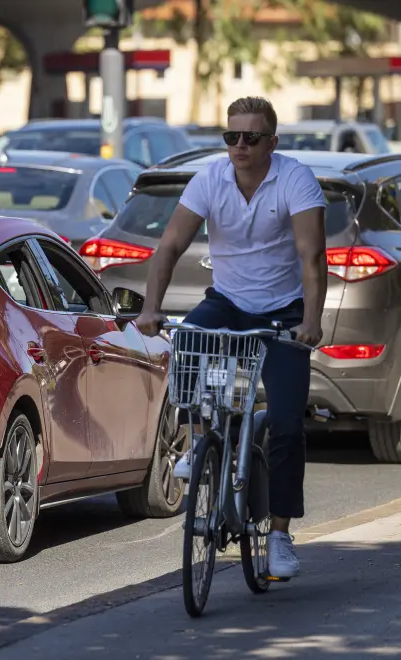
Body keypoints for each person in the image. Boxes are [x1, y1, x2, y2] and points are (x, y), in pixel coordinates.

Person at [134, 96, 327, 580]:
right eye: (231, 136)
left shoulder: (295, 179)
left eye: (252, 137)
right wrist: (152, 309)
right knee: (189, 341)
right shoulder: (210, 180)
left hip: (283, 312)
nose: (240, 146)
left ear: (272, 142)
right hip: (228, 302)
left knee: (285, 424)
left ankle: (279, 534)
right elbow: (170, 246)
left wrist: (311, 321)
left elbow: (312, 259)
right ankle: (199, 446)